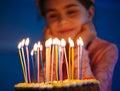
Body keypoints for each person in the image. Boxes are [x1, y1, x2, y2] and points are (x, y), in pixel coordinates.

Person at [36, 0, 118, 91]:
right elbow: (37, 88)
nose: (62, 21)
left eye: (71, 12)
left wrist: (78, 47)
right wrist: (53, 51)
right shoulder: (44, 50)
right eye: (53, 15)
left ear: (90, 13)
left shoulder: (105, 50)